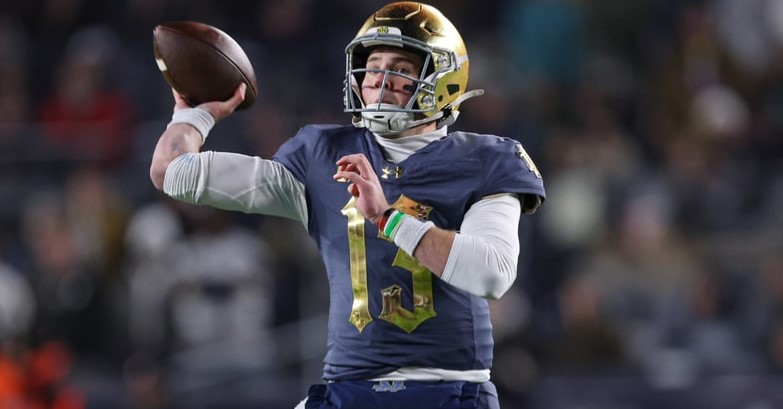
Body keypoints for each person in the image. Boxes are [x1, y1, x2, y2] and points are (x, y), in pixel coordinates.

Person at [149, 2, 545, 408]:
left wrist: (388, 218)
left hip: (445, 389)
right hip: (347, 388)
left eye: (402, 69)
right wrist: (194, 116)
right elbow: (174, 174)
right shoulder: (322, 153)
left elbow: (492, 274)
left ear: (442, 79)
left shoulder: (486, 158)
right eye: (373, 66)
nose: (381, 79)